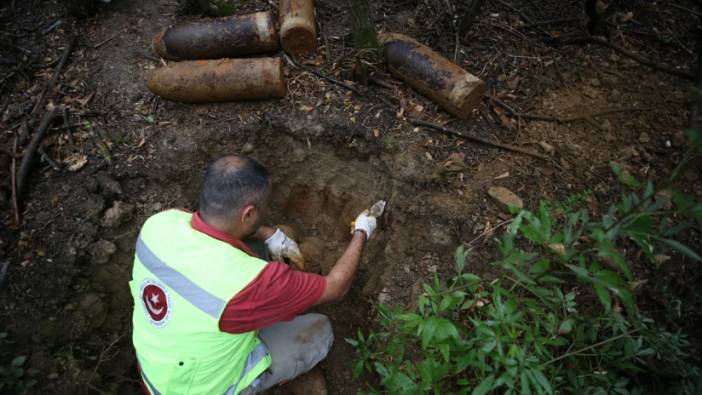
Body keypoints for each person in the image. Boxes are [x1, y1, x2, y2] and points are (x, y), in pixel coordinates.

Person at [129, 155, 379, 395]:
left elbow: (207, 225)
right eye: (263, 207)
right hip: (204, 389)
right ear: (247, 214)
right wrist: (361, 232)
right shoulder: (247, 283)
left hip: (156, 374)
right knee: (319, 331)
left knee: (256, 251)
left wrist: (268, 234)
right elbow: (335, 287)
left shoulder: (159, 224)